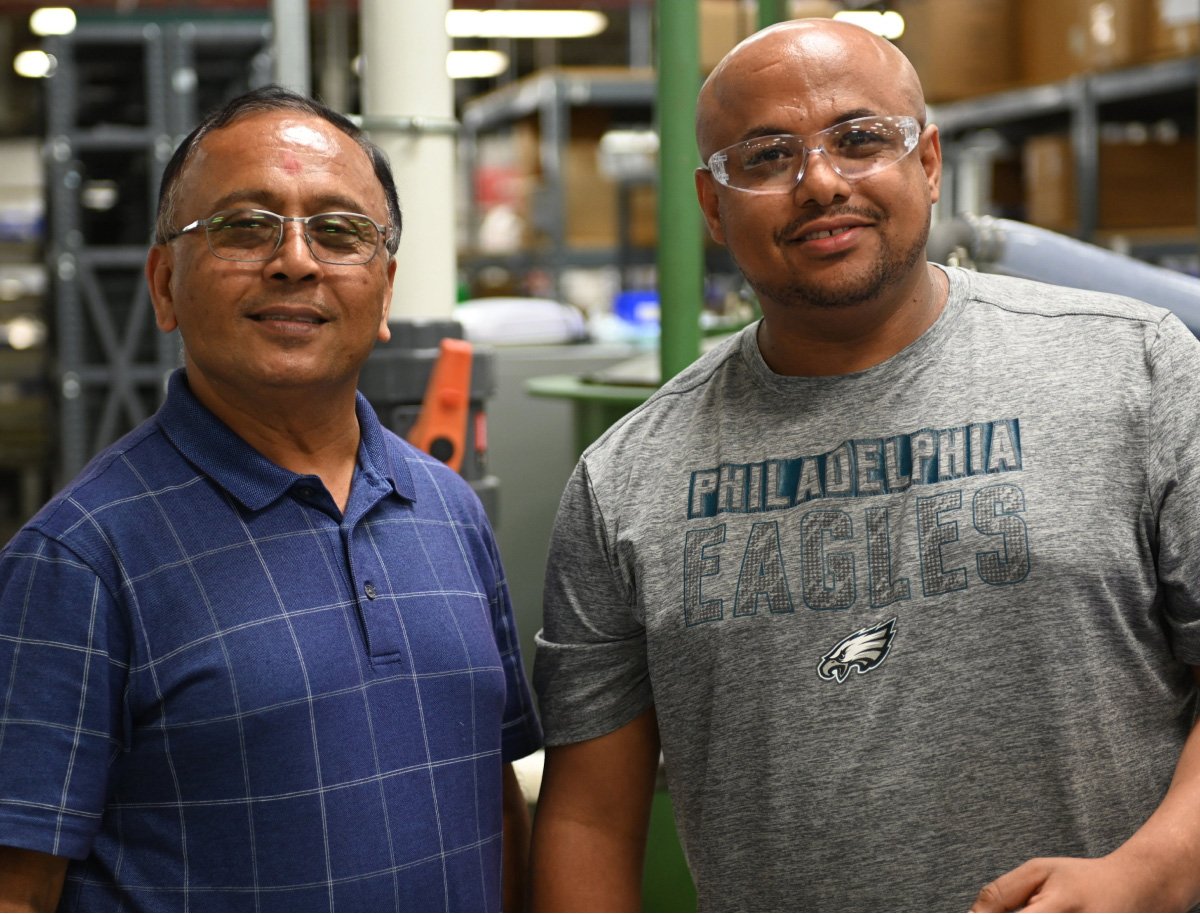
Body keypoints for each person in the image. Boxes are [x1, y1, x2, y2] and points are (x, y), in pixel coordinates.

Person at [530, 18, 1200, 913]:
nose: (818, 184)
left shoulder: (1138, 370)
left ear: (927, 162)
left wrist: (1150, 873)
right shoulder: (624, 479)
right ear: (711, 205)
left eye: (859, 140)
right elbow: (589, 820)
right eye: (765, 157)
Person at [0, 86, 541, 912]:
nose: (296, 260)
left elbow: (491, 802)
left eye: (340, 231)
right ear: (164, 285)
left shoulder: (449, 512)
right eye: (245, 226)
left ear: (385, 288)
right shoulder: (75, 562)